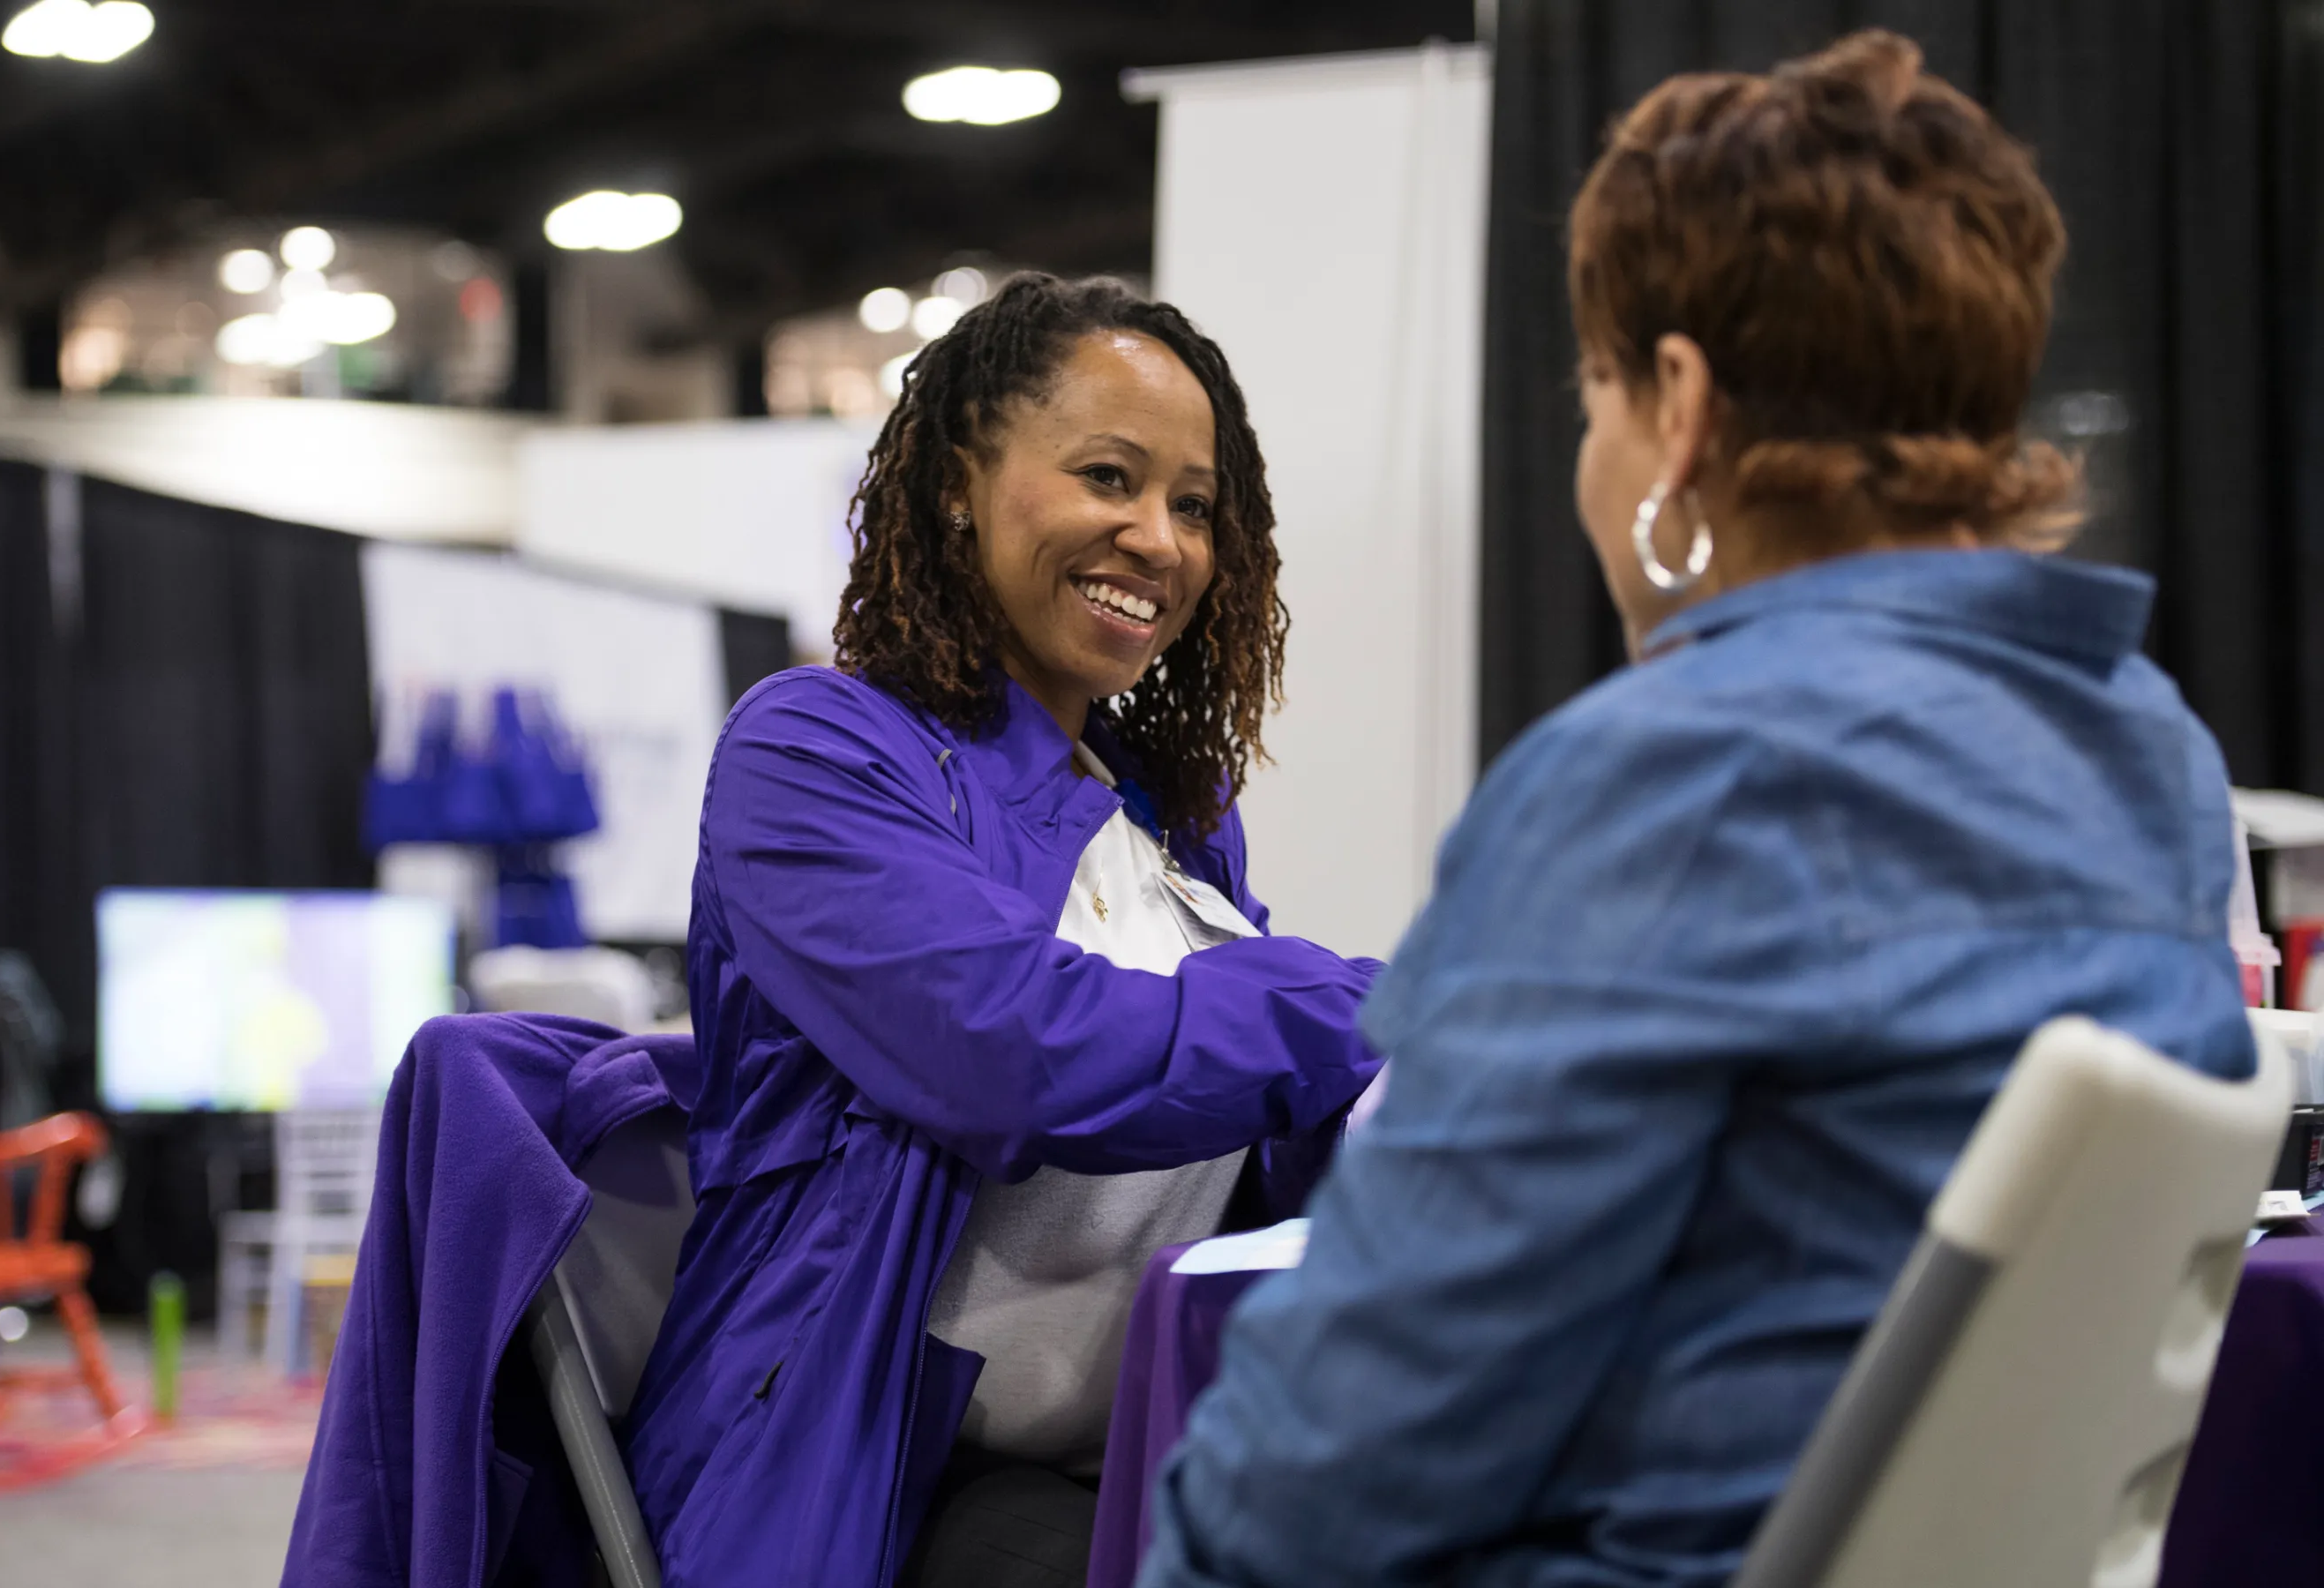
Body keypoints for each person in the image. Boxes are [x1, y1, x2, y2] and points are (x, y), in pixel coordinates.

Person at [1138, 31, 2258, 1588]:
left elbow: (1320, 1480)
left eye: (1592, 388)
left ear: (1677, 402)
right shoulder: (2153, 756)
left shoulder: (1669, 775)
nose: (1590, 447)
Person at [618, 274, 1383, 1587]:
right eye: (1108, 476)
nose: (1160, 539)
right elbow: (1016, 1050)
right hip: (866, 1474)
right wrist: (1383, 1007)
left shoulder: (1175, 818)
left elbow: (1239, 1110)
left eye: (1193, 507)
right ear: (963, 479)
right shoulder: (818, 750)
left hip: (1131, 1448)